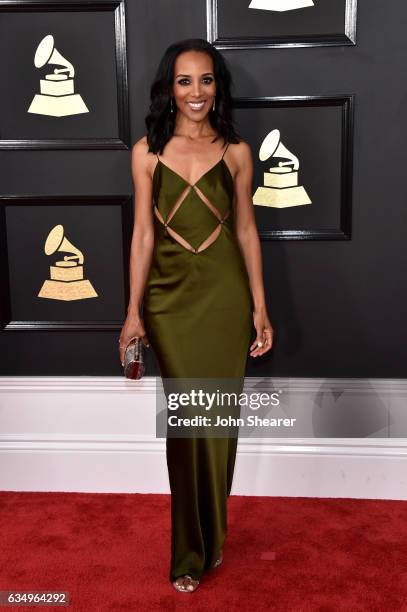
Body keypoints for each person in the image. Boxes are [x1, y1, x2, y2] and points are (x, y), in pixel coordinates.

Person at [119, 38, 274, 593]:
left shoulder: (237, 151)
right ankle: (188, 552)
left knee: (218, 425)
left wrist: (259, 305)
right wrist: (133, 312)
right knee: (189, 426)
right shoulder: (146, 152)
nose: (196, 92)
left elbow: (247, 231)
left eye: (206, 80)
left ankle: (213, 537)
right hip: (168, 299)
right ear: (169, 88)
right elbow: (141, 235)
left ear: (218, 87)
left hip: (225, 297)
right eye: (185, 81)